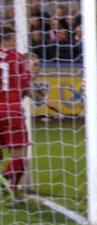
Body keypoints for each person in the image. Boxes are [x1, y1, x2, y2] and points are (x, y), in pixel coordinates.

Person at [0, 27, 32, 200]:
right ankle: (10, 185)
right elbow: (25, 86)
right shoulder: (16, 57)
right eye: (14, 38)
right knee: (19, 153)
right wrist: (40, 99)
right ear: (9, 39)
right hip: (11, 110)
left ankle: (7, 184)